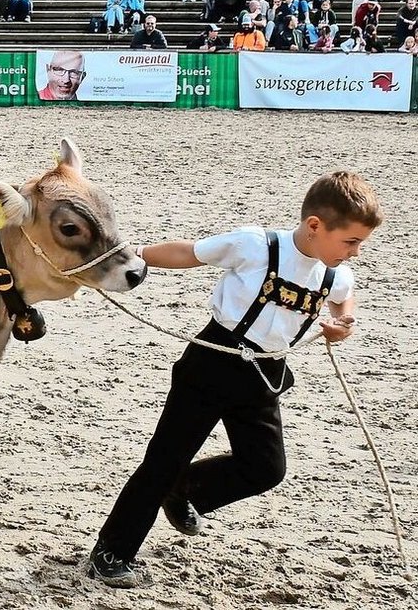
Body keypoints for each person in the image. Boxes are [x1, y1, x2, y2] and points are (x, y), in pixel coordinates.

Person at [90, 173, 381, 589]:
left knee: (265, 468)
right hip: (212, 363)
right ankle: (112, 552)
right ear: (316, 225)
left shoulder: (335, 273)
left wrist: (342, 324)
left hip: (266, 374)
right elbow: (191, 253)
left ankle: (186, 490)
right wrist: (134, 254)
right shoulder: (255, 244)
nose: (354, 252)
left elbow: (342, 300)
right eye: (350, 241)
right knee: (163, 459)